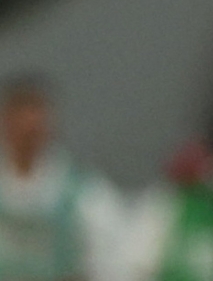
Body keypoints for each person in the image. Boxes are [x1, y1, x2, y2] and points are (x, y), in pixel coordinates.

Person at [0, 73, 128, 281]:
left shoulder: (86, 194)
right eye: (19, 114)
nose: (27, 127)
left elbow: (114, 267)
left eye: (36, 115)